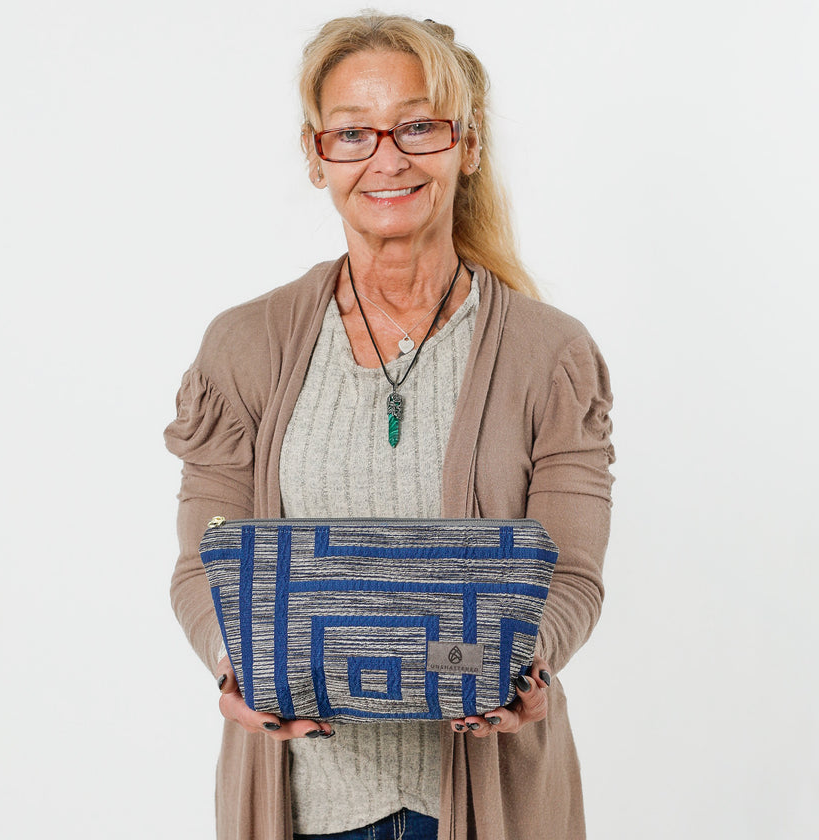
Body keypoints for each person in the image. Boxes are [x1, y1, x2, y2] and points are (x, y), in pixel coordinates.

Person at [165, 12, 614, 840]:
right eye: (352, 133)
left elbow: (570, 574)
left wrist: (522, 663)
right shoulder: (244, 346)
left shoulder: (552, 354)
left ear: (466, 144)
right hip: (302, 803)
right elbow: (206, 562)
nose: (387, 157)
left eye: (417, 125)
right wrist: (235, 661)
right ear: (315, 155)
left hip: (491, 801)